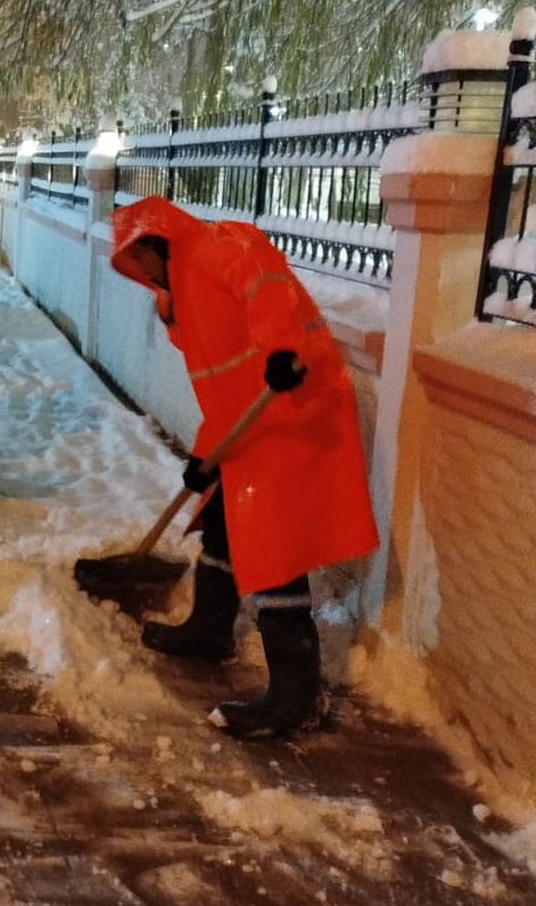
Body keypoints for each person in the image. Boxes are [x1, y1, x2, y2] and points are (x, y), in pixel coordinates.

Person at [109, 195, 378, 738]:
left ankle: (294, 697)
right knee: (224, 524)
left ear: (156, 240)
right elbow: (223, 394)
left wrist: (280, 348)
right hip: (255, 423)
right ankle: (209, 630)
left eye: (140, 258)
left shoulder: (218, 247)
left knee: (275, 547)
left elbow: (266, 281)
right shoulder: (184, 305)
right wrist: (205, 459)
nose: (139, 272)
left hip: (293, 407)